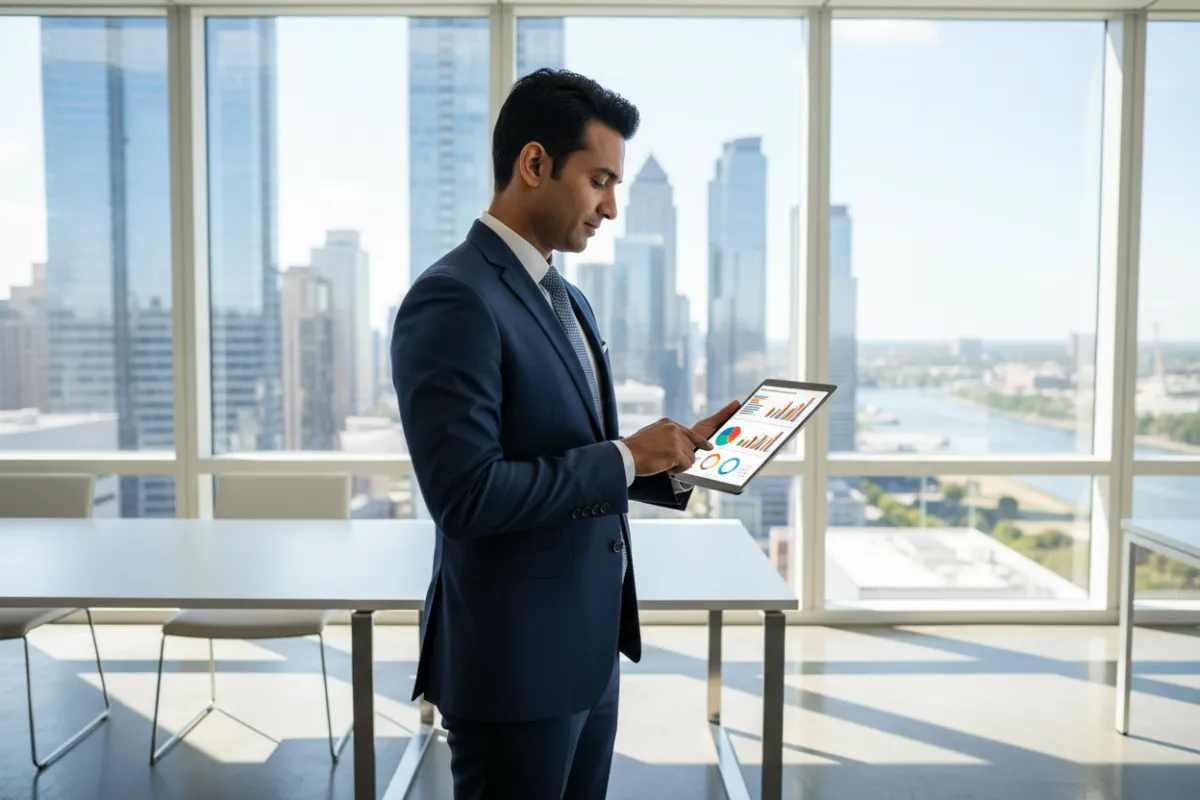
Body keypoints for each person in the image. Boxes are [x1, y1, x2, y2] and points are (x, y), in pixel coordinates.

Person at [391, 68, 739, 800]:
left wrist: (675, 458)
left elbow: (566, 455)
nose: (612, 207)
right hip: (514, 666)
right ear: (535, 163)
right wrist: (622, 455)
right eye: (601, 180)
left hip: (588, 650)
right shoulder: (453, 298)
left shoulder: (565, 296)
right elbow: (468, 496)